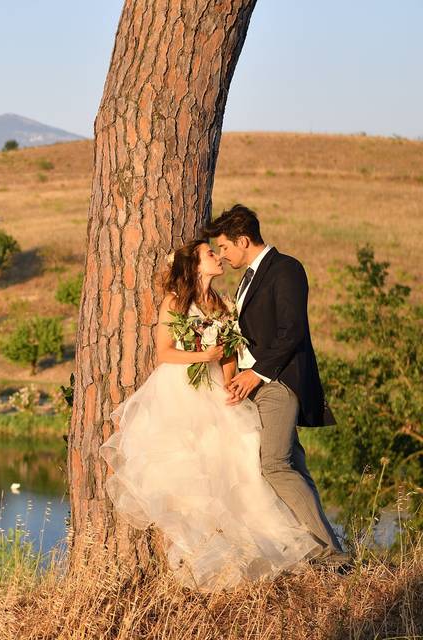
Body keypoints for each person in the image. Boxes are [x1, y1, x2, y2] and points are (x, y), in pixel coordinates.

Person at [100, 239, 321, 591]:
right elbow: (164, 353)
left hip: (217, 388)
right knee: (191, 469)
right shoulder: (176, 302)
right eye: (210, 254)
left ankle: (261, 550)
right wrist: (203, 357)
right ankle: (203, 554)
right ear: (195, 265)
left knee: (241, 460)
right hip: (181, 390)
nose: (218, 257)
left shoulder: (222, 304)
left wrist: (230, 383)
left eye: (217, 252)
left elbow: (230, 351)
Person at [205, 204, 348, 566]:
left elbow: (292, 331)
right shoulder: (248, 278)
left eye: (224, 247)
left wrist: (258, 373)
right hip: (257, 385)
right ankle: (319, 549)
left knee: (275, 466)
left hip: (279, 382)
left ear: (243, 240)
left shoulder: (286, 269)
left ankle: (330, 554)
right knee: (293, 465)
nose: (223, 255)